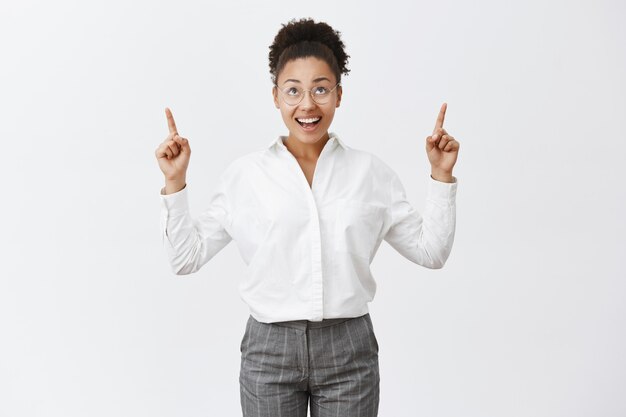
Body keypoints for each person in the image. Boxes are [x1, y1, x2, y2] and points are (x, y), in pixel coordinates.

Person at [155, 17, 459, 417]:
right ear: (276, 96)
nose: (307, 105)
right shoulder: (246, 176)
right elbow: (185, 258)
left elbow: (431, 252)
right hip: (269, 352)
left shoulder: (371, 173)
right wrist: (175, 183)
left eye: (320, 89)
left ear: (338, 94)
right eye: (293, 91)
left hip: (348, 349)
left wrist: (441, 175)